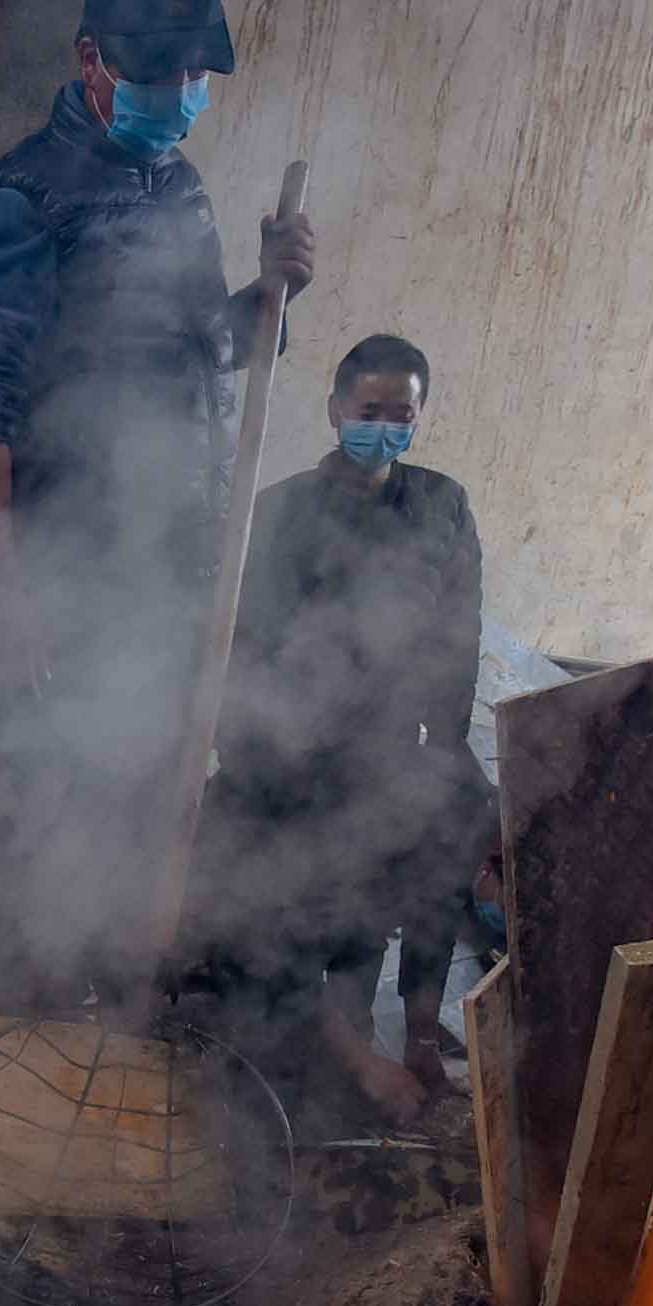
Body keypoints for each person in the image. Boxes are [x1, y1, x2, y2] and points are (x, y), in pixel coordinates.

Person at [0, 0, 314, 991]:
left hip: (163, 575)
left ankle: (104, 1011)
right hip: (66, 579)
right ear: (91, 59)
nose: (184, 89)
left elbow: (205, 354)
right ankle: (13, 1025)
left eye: (197, 70)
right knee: (40, 810)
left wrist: (273, 291)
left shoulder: (179, 188)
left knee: (135, 811)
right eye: (160, 71)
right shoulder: (25, 201)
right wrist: (6, 597)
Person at [188, 332, 497, 1128]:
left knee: (411, 864)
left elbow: (457, 635)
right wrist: (258, 748)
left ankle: (388, 1026)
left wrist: (445, 744)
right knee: (281, 909)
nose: (385, 427)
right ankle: (306, 1041)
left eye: (403, 414)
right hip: (290, 750)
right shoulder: (281, 509)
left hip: (392, 747)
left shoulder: (442, 505)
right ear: (335, 410)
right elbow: (244, 643)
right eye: (370, 411)